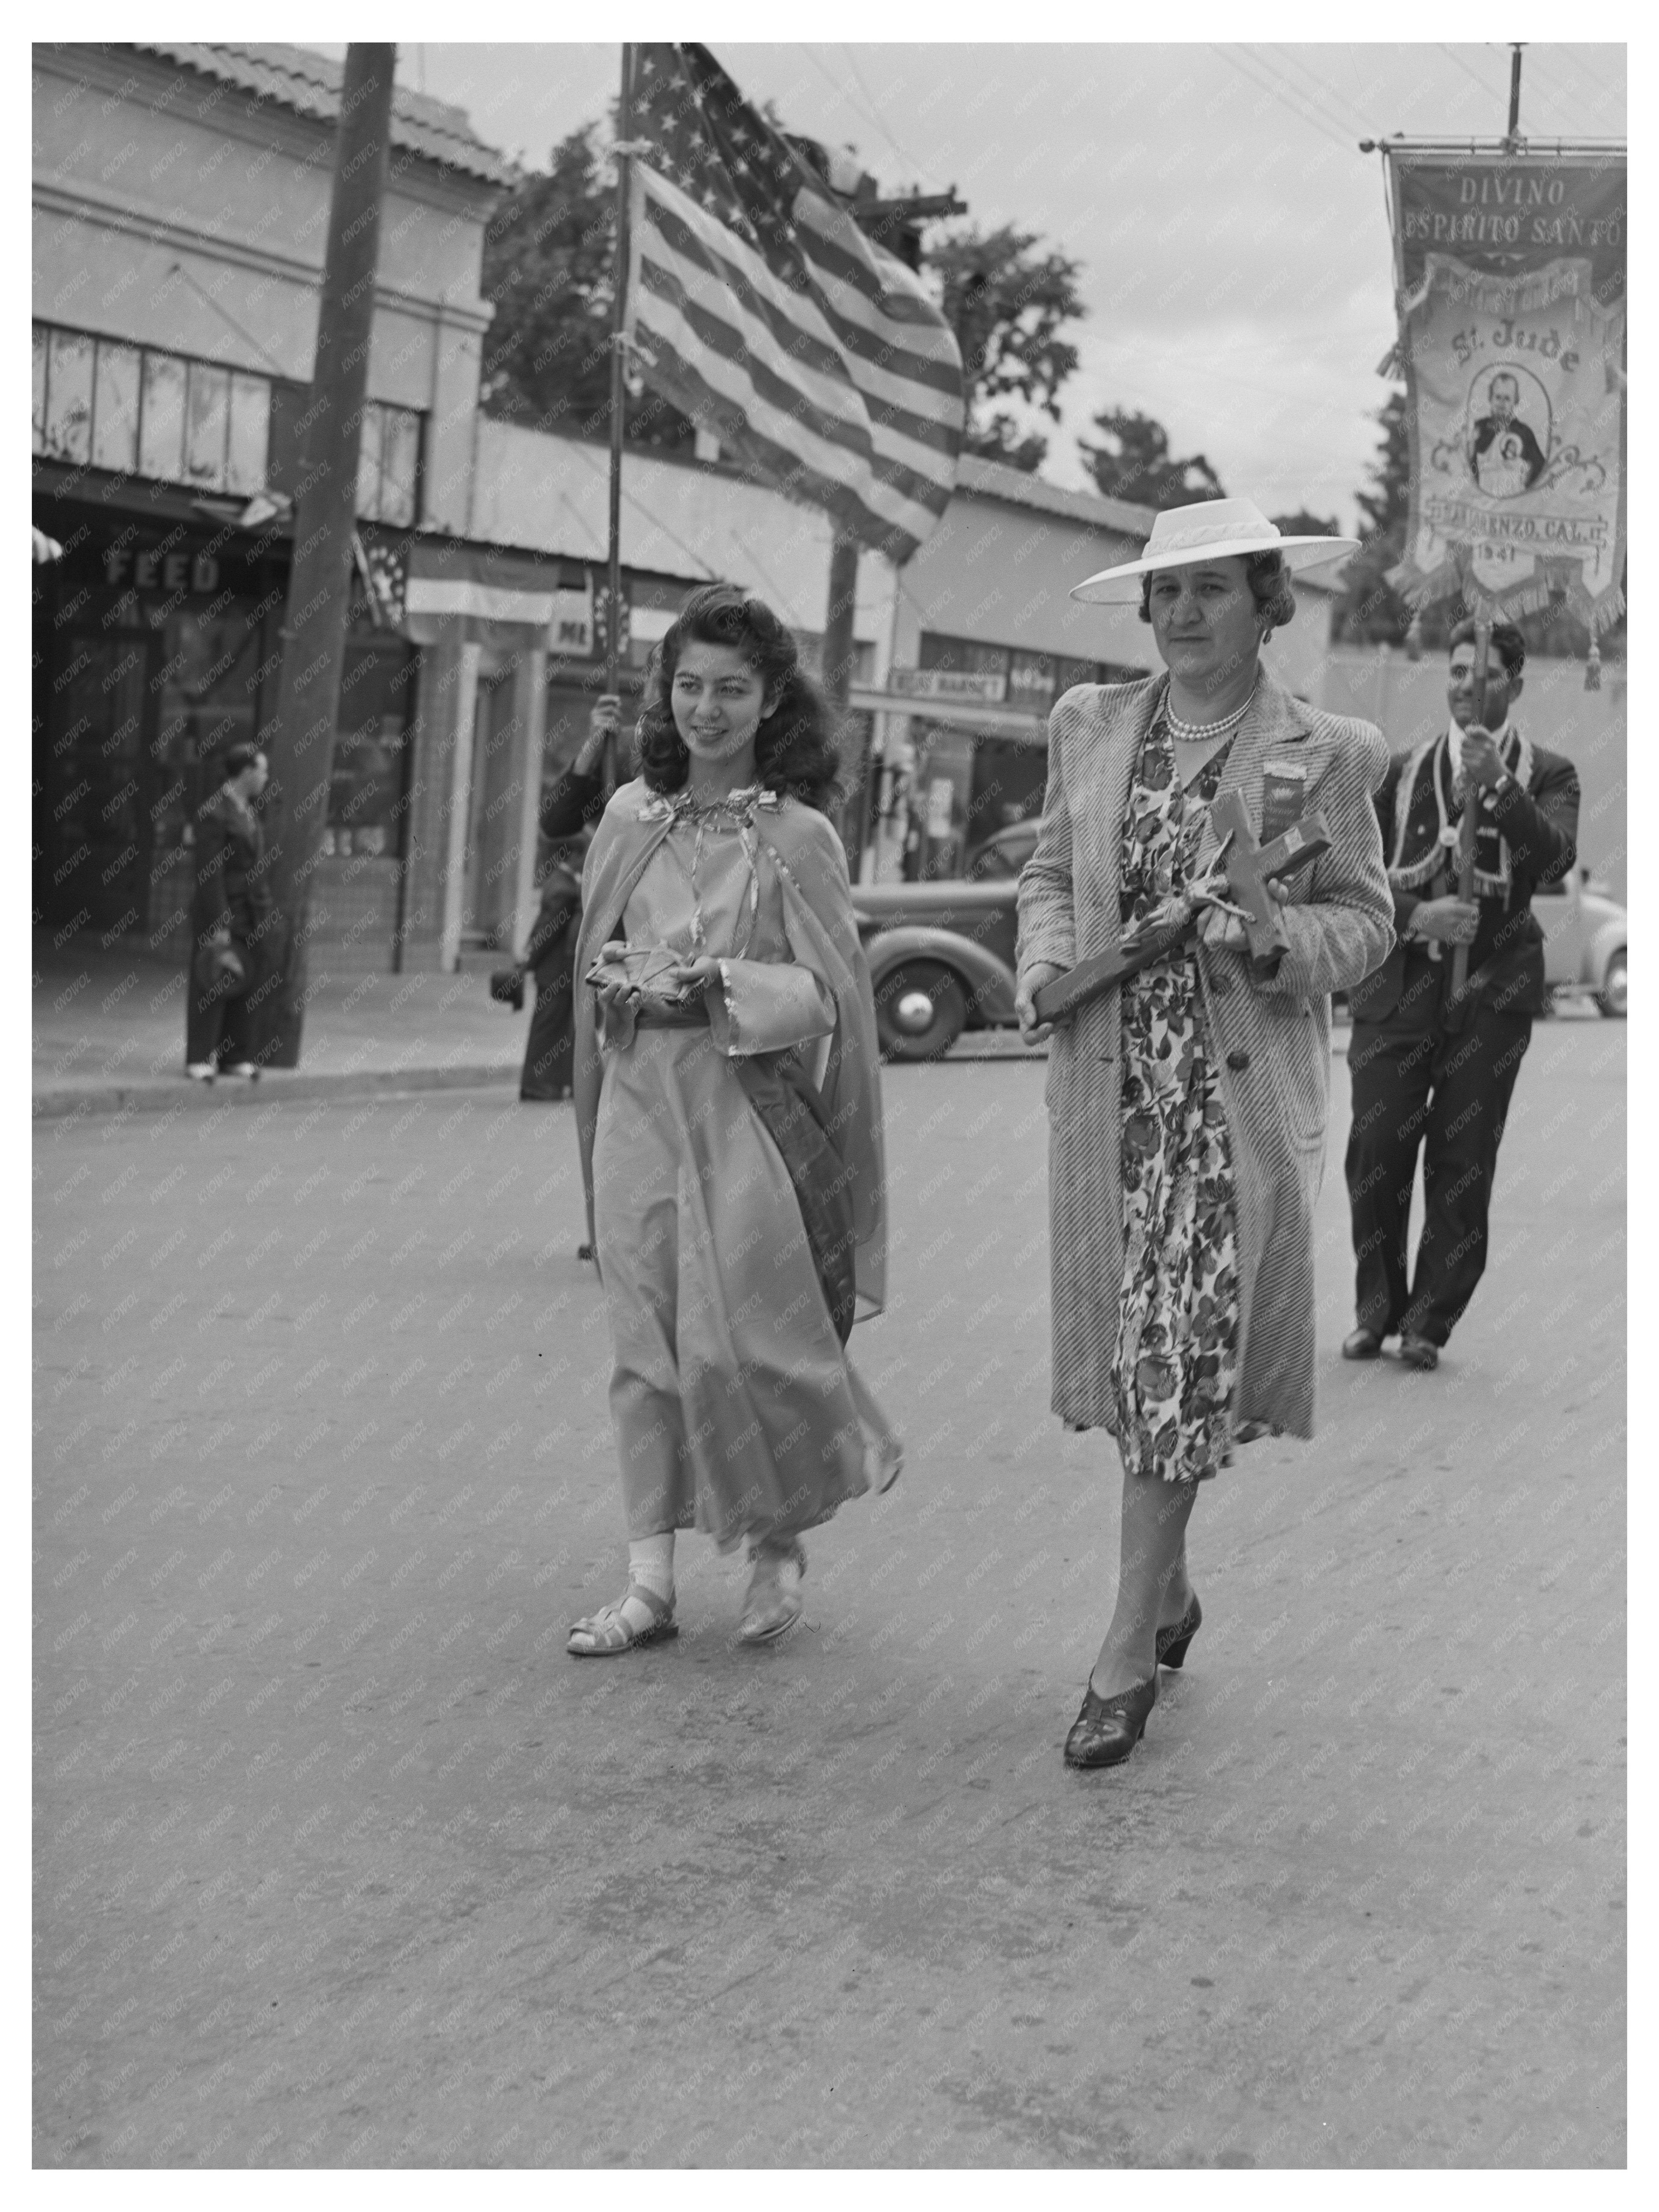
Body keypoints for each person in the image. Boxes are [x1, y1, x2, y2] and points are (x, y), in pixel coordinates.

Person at [1015, 498, 1393, 1770]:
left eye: (1212, 590)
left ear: (1267, 601)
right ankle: (1169, 1591)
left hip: (1227, 1114)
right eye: (1166, 592)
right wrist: (1043, 963)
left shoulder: (1328, 749)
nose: (1182, 614)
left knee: (1175, 1358)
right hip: (1111, 1095)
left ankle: (1125, 1652)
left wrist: (1274, 940)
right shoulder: (1087, 726)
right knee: (1138, 1376)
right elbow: (1049, 878)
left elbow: (1365, 923)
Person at [567, 586, 900, 1656]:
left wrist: (723, 982)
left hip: (745, 1109)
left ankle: (775, 1540)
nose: (705, 709)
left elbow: (830, 995)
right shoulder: (627, 817)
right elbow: (589, 965)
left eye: (731, 690)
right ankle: (648, 1583)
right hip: (637, 1104)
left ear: (771, 703)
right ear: (666, 696)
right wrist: (616, 981)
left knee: (743, 1343)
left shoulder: (797, 836)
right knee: (642, 1344)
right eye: (689, 686)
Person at [1342, 620, 1579, 1371]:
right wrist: (1420, 918)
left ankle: (1427, 1321)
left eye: (1480, 674)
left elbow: (1552, 860)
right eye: (1454, 672)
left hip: (1492, 985)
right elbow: (1356, 878)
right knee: (1376, 1149)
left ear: (1512, 683)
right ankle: (1374, 1308)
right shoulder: (1402, 767)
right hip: (1401, 984)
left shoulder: (1548, 773)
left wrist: (1500, 789)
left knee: (1461, 1155)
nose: (1463, 686)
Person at [185, 741, 271, 1082]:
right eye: (263, 771)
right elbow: (209, 872)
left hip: (252, 910)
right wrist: (219, 919)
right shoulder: (214, 814)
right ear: (247, 772)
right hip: (224, 910)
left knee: (246, 978)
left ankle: (235, 1055)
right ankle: (199, 1057)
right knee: (213, 979)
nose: (266, 778)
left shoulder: (248, 811)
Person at [515, 839, 585, 1102]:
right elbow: (549, 931)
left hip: (552, 972)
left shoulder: (558, 882)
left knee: (548, 1029)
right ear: (575, 857)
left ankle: (544, 1084)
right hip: (556, 973)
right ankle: (538, 1084)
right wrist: (529, 962)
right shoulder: (566, 889)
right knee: (549, 1029)